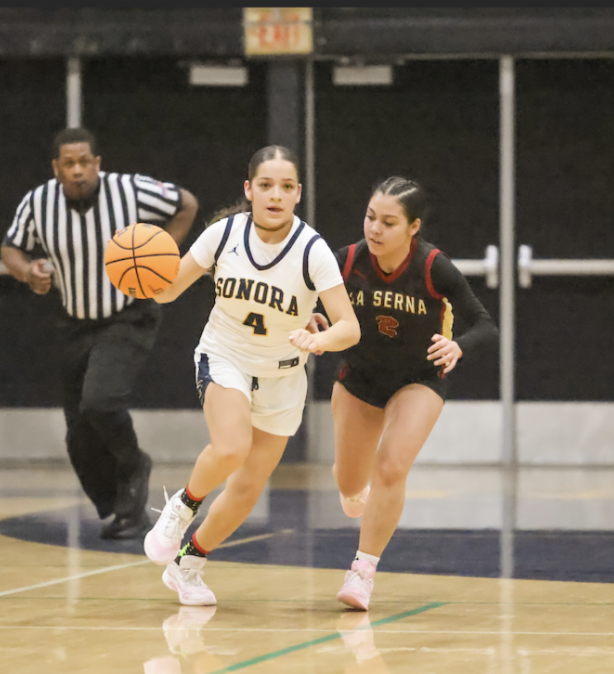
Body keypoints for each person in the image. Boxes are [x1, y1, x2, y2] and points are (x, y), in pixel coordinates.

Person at [141, 145, 360, 605]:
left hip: (283, 376)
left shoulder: (312, 250)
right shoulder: (223, 235)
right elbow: (168, 290)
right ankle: (182, 506)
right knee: (231, 446)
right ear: (249, 189)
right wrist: (140, 274)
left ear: (298, 193)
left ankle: (187, 566)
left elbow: (349, 328)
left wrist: (320, 340)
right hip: (226, 356)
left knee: (247, 488)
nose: (275, 195)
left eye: (285, 186)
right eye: (265, 185)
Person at [1, 127, 198, 540]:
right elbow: (11, 247)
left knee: (101, 400)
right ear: (56, 169)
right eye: (69, 164)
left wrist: (162, 253)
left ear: (98, 163)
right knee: (78, 435)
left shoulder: (130, 190)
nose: (78, 171)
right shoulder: (38, 203)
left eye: (85, 162)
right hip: (74, 323)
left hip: (128, 314)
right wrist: (27, 271)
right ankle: (123, 505)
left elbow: (187, 203)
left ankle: (134, 469)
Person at [314, 178, 496, 611]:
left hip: (419, 379)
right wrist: (309, 319)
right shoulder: (347, 260)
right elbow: (302, 299)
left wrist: (458, 346)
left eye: (389, 222)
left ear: (413, 228)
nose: (375, 229)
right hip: (359, 378)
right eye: (370, 217)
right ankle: (353, 485)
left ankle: (362, 571)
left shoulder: (433, 267)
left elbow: (485, 325)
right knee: (349, 482)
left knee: (392, 466)